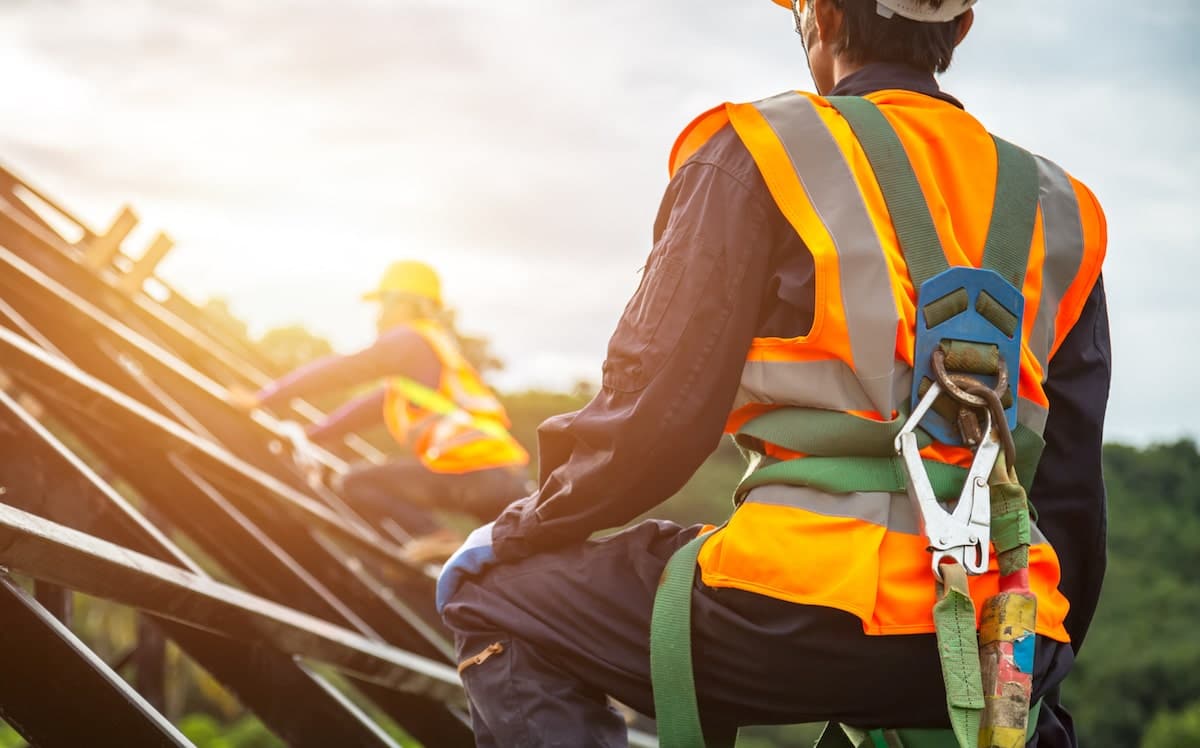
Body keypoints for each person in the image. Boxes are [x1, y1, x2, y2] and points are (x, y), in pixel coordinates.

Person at [436, 0, 1110, 746]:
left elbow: (655, 415)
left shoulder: (758, 150)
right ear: (960, 25)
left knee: (494, 600)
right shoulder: (1064, 208)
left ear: (819, 16)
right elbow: (1072, 492)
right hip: (1008, 636)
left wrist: (528, 526)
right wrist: (1036, 657)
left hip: (801, 610)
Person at [229, 260, 530, 547]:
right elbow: (356, 415)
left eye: (382, 305)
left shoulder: (410, 340)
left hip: (471, 472)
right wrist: (308, 437)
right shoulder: (426, 365)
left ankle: (435, 536)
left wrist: (262, 398)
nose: (377, 316)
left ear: (403, 303)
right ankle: (438, 544)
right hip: (505, 478)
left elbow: (341, 371)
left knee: (356, 483)